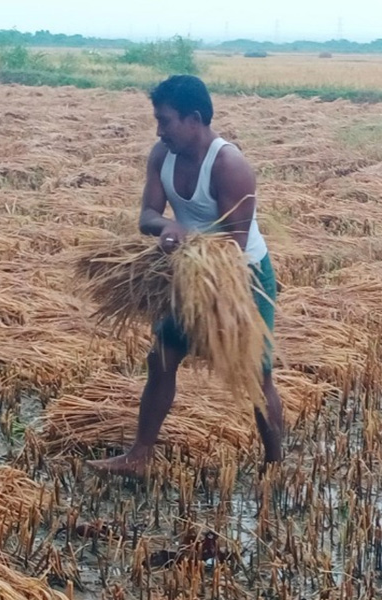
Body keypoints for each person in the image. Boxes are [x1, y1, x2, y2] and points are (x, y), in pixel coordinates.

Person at [87, 74, 283, 478]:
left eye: (166, 120)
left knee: (256, 375)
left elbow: (235, 243)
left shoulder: (230, 166)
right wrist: (166, 228)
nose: (159, 130)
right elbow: (147, 216)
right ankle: (140, 455)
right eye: (157, 121)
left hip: (240, 277)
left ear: (194, 118)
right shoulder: (162, 155)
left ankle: (275, 463)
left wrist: (186, 235)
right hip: (185, 271)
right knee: (160, 359)